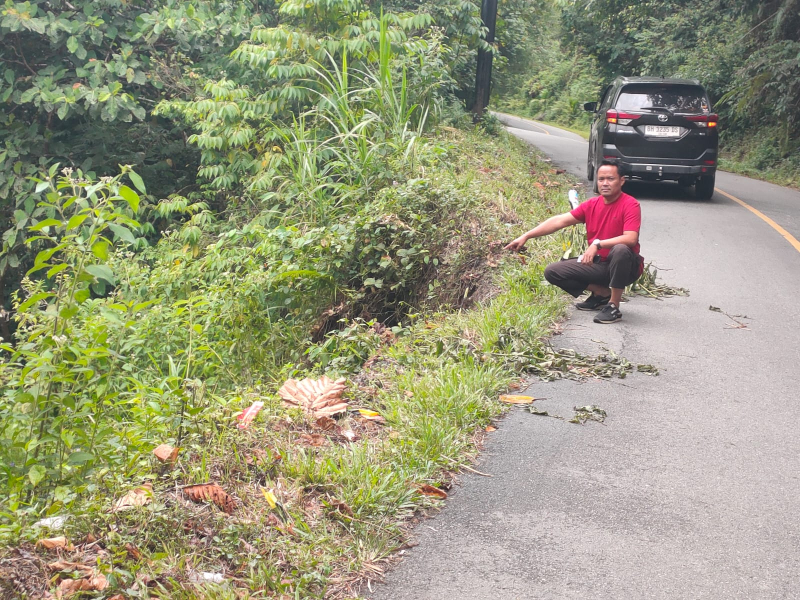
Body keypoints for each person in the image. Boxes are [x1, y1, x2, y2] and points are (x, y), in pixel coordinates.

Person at [504, 160, 643, 324]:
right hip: (600, 264)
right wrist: (526, 236)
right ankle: (602, 294)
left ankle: (614, 305)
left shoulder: (630, 204)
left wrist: (598, 244)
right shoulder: (591, 205)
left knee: (620, 249)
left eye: (610, 179)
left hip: (625, 266)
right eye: (601, 179)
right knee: (553, 271)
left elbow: (630, 238)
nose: (605, 183)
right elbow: (559, 221)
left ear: (621, 180)